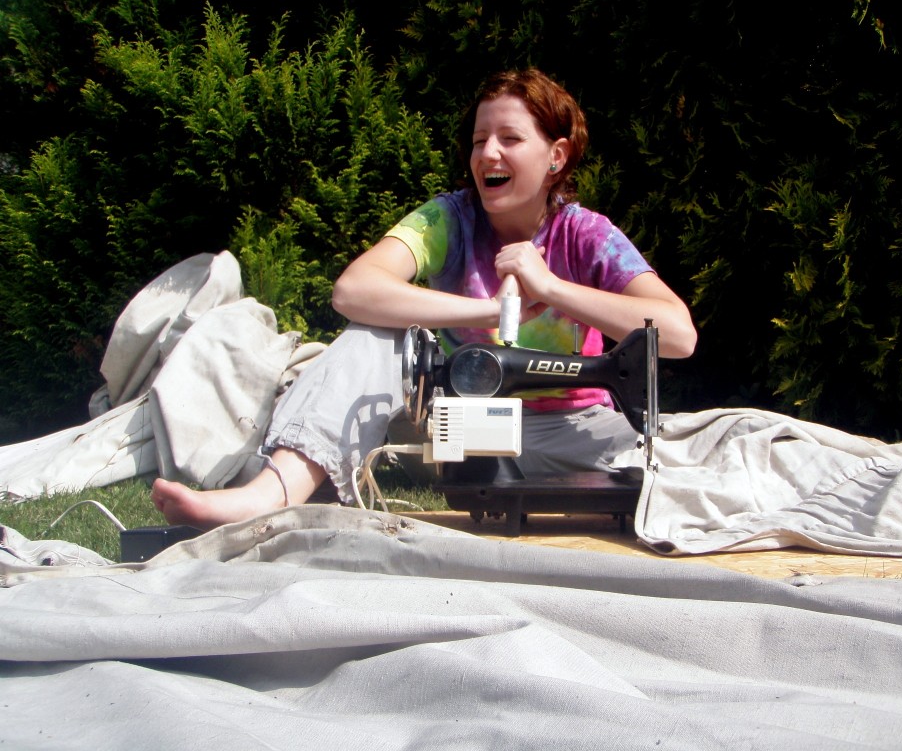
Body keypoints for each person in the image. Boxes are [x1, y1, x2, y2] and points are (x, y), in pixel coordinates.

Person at [151, 68, 698, 528]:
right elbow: (354, 290)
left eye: (509, 139)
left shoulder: (587, 236)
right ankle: (265, 496)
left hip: (572, 429)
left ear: (556, 156)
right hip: (454, 434)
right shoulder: (449, 220)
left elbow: (676, 335)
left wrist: (551, 287)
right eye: (480, 140)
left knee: (705, 458)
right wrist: (490, 311)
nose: (488, 153)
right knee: (375, 337)